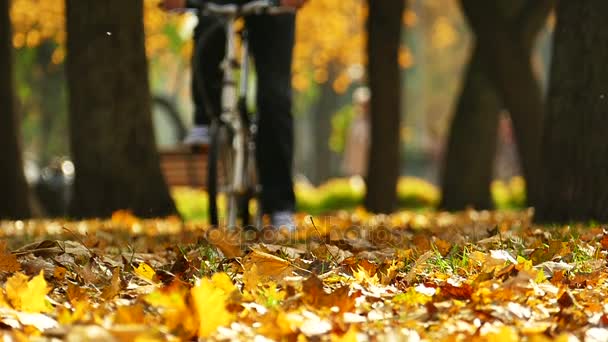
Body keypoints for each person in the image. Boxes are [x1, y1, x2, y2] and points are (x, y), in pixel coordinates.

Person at [160, 0, 307, 230]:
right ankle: (205, 119)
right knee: (208, 30)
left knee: (274, 97)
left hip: (274, 6)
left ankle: (280, 208)